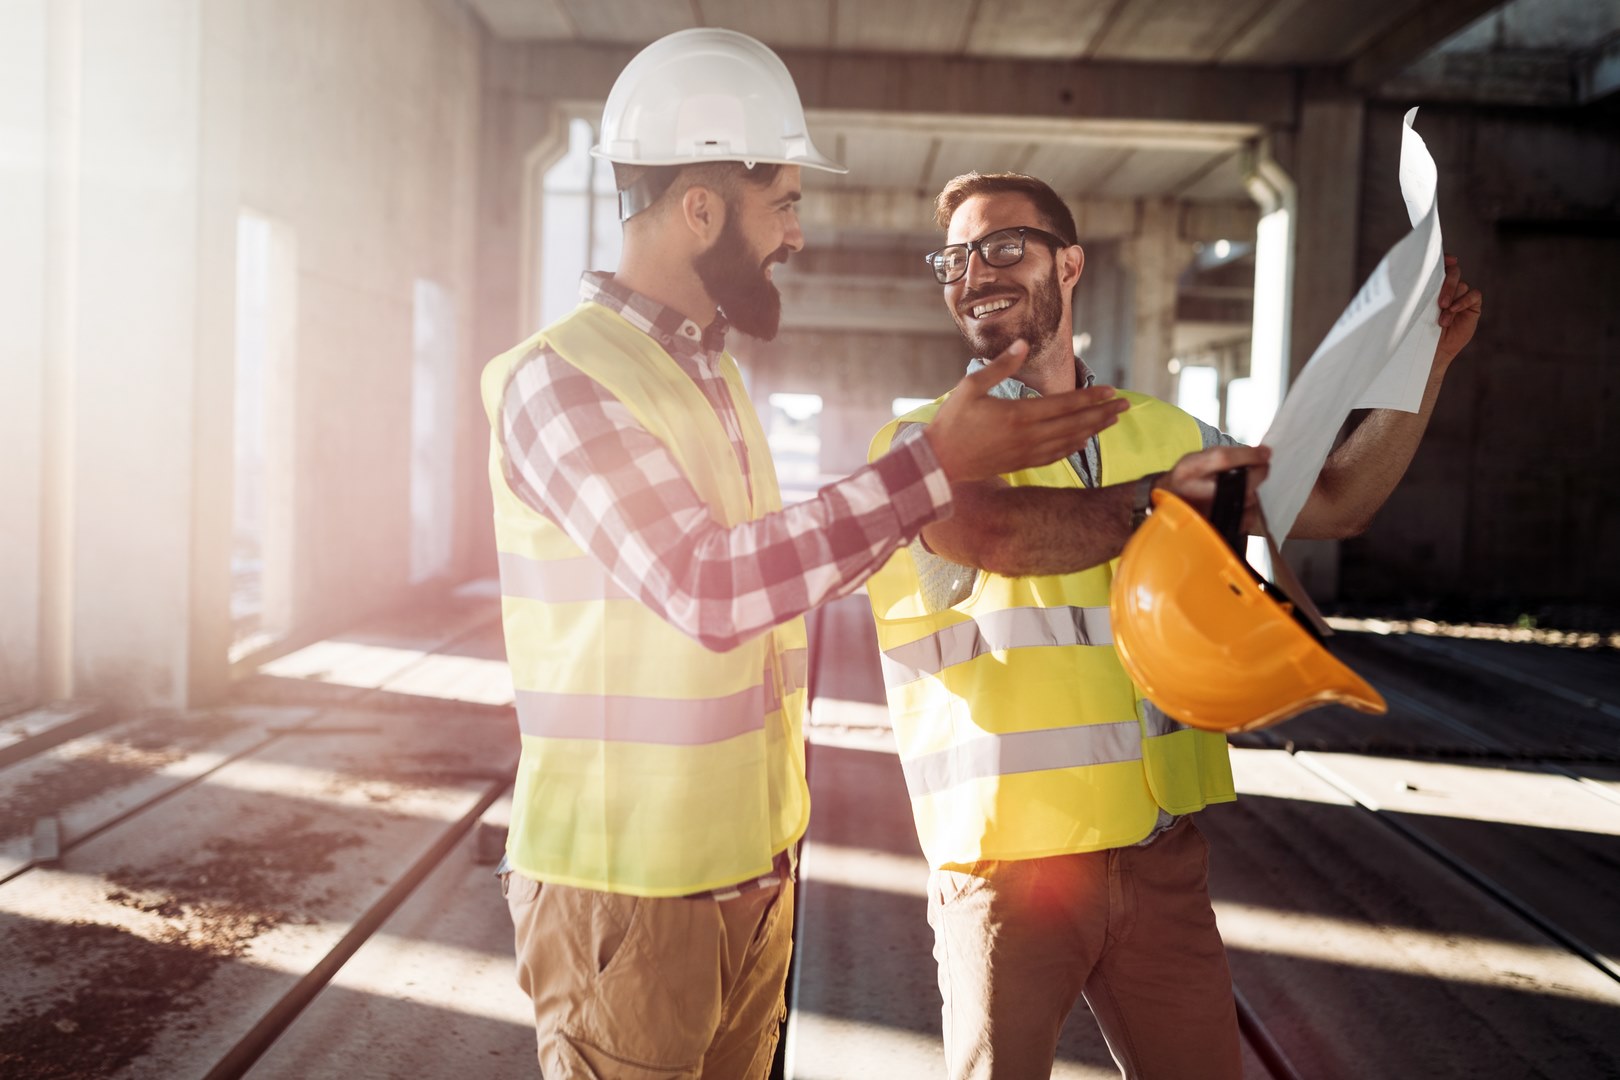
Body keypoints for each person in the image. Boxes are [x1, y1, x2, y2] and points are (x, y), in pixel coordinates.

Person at [480, 35, 1128, 1079]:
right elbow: (708, 586)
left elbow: (784, 569)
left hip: (750, 877)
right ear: (701, 208)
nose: (797, 233)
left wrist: (988, 507)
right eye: (782, 201)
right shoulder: (561, 382)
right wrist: (927, 467)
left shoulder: (715, 378)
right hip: (629, 891)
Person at [864, 171, 1481, 1080]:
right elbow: (998, 534)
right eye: (953, 258)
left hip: (1157, 856)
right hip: (1006, 867)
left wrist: (1426, 364)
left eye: (1004, 247)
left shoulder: (1164, 431)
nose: (973, 272)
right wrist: (1164, 504)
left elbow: (1339, 499)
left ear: (1069, 264)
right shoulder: (918, 445)